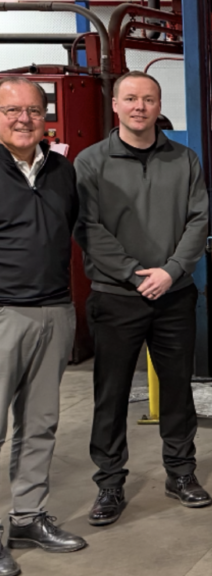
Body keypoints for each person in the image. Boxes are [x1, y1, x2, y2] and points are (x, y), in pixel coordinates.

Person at [75, 71, 212, 525]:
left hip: (174, 294)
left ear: (158, 105)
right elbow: (88, 228)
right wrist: (134, 275)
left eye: (149, 99)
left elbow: (199, 220)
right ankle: (109, 483)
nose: (140, 107)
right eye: (131, 99)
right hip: (115, 296)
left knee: (178, 389)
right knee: (111, 393)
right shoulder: (91, 162)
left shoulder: (184, 159)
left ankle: (181, 473)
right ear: (115, 105)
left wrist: (171, 271)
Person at [0, 77, 87, 573]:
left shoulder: (60, 170)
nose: (24, 119)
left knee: (40, 424)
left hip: (55, 310)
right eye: (12, 110)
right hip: (3, 313)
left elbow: (69, 230)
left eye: (33, 110)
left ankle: (27, 517)